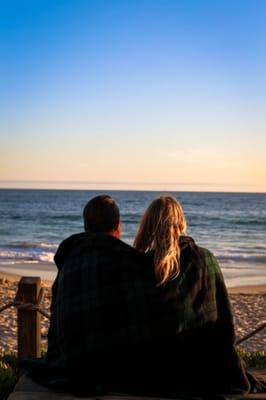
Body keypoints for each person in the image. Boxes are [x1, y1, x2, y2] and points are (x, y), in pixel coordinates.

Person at [19, 194, 262, 399]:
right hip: (185, 370)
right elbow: (222, 327)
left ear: (146, 225)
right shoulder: (203, 260)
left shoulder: (99, 262)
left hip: (87, 368)